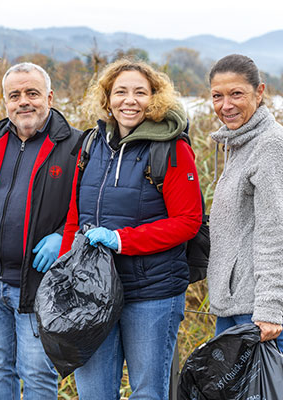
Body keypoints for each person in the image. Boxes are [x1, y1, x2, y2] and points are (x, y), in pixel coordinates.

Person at [59, 59, 203, 399]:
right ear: (107, 99)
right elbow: (73, 217)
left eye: (140, 92)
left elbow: (188, 221)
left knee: (147, 392)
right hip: (92, 292)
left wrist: (121, 240)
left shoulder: (171, 148)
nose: (130, 100)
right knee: (94, 393)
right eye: (120, 92)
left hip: (151, 292)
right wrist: (66, 270)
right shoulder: (92, 145)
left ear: (155, 98)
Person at [0, 62, 81, 399]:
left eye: (32, 93)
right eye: (15, 95)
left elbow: (93, 210)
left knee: (36, 372)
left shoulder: (76, 146)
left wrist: (63, 237)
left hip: (40, 284)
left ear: (49, 97)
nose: (24, 102)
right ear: (5, 101)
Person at [207, 54, 283, 361]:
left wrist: (269, 307)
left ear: (260, 92)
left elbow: (274, 231)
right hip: (239, 299)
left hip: (259, 307)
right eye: (217, 96)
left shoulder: (271, 145)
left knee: (269, 390)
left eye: (236, 94)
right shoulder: (241, 141)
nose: (226, 105)